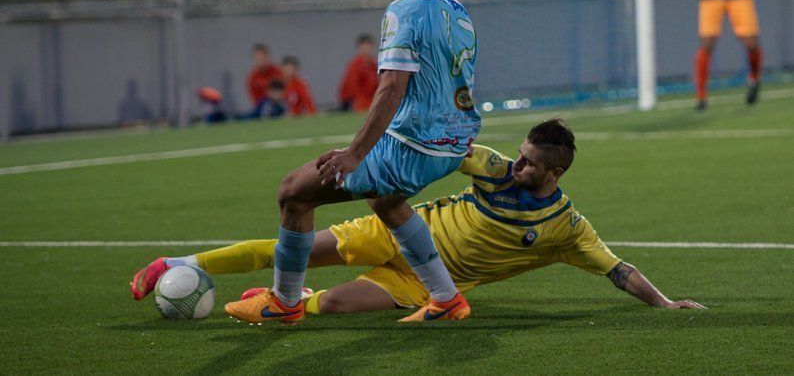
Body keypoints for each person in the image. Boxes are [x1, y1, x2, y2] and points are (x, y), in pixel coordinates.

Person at [131, 0, 481, 324]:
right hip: (452, 143)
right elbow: (460, 79)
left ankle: (284, 302)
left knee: (294, 192)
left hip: (413, 147)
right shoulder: (457, 10)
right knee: (386, 201)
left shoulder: (404, 9)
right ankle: (446, 297)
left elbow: (391, 88)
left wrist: (355, 154)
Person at [130, 120, 706, 315]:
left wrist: (664, 302)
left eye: (529, 164)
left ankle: (277, 302)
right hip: (390, 230)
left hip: (417, 280)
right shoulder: (495, 165)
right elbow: (451, 149)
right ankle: (177, 263)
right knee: (292, 243)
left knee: (329, 306)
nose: (517, 165)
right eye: (519, 154)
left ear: (553, 174)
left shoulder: (566, 230)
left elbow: (616, 269)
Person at [338, 34, 379, 112]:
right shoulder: (355, 64)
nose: (367, 48)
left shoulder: (373, 64)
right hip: (356, 102)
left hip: (370, 99)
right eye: (364, 46)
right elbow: (352, 86)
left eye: (369, 45)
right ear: (360, 47)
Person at [246, 44, 283, 112]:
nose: (261, 61)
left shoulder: (277, 72)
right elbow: (255, 100)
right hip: (262, 107)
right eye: (258, 58)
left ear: (267, 57)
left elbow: (285, 91)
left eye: (263, 58)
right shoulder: (253, 77)